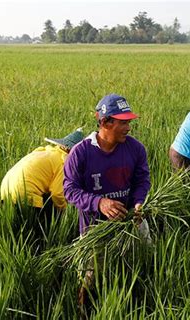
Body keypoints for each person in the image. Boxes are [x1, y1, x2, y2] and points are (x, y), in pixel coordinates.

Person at [63, 93, 151, 315]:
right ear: (105, 122)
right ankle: (84, 312)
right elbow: (69, 190)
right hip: (95, 229)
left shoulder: (135, 149)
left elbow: (143, 180)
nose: (128, 127)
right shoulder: (80, 153)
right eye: (123, 122)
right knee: (91, 277)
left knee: (144, 260)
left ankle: (139, 301)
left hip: (131, 222)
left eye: (129, 121)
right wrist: (99, 202)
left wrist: (139, 203)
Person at [0, 128, 84, 239]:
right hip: (25, 192)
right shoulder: (63, 162)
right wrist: (64, 214)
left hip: (5, 188)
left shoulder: (45, 151)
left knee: (14, 231)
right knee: (33, 233)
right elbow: (57, 193)